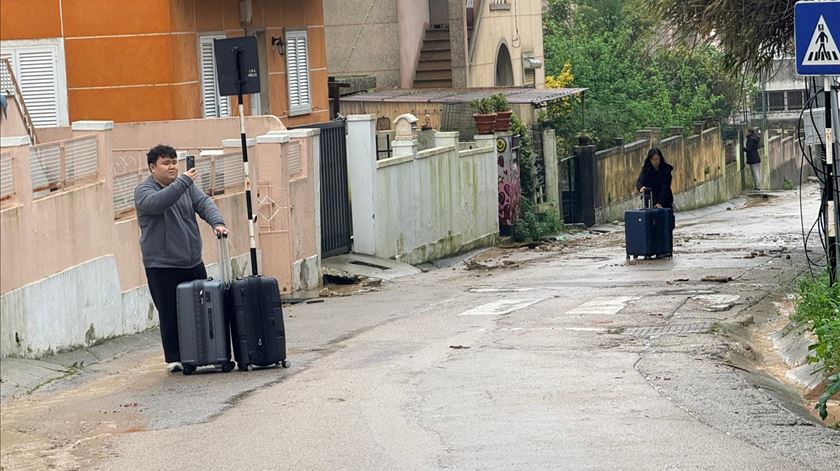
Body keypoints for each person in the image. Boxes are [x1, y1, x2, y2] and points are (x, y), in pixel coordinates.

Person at [135, 145, 228, 373]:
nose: (172, 167)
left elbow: (204, 203)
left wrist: (217, 222)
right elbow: (159, 203)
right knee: (169, 312)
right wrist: (184, 182)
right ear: (152, 168)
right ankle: (175, 358)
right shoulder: (144, 191)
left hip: (192, 260)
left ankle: (209, 350)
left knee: (205, 306)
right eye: (166, 163)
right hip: (162, 265)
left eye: (174, 162)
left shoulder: (187, 187)